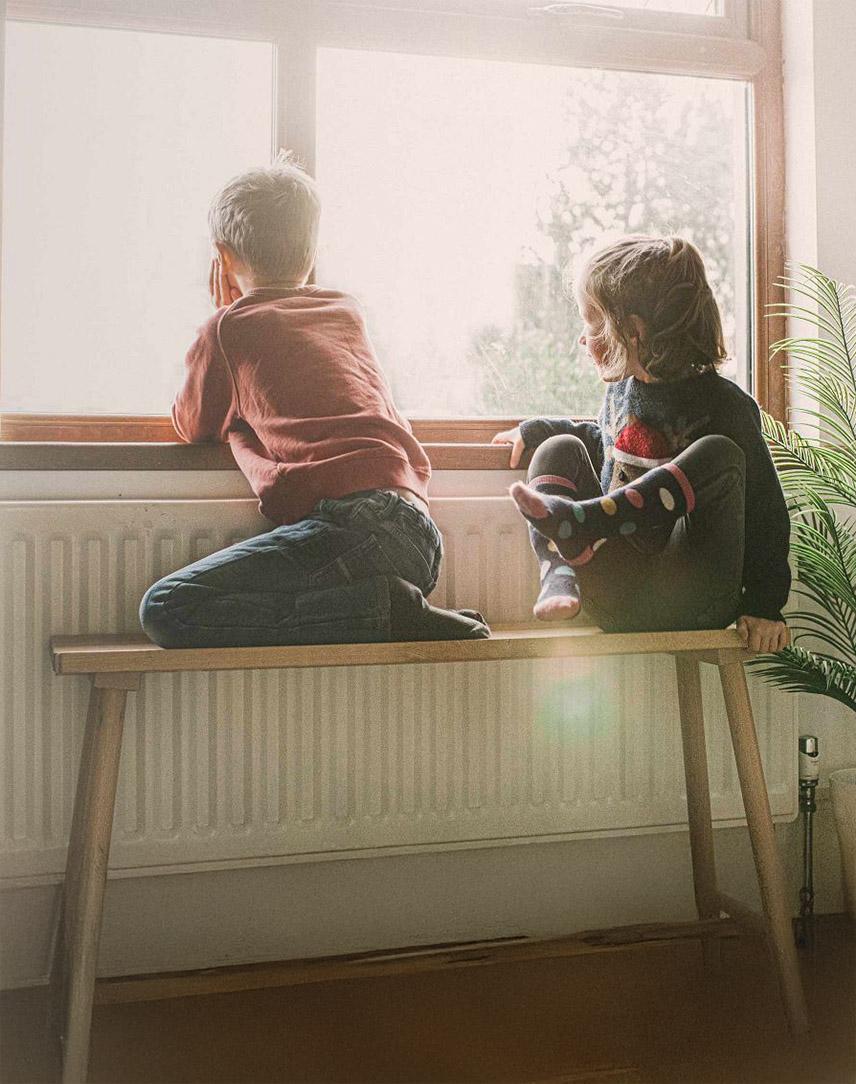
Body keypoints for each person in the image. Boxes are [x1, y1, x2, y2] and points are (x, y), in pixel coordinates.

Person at [140, 155, 488, 648]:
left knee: (166, 607)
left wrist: (224, 319)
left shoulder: (229, 328)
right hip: (417, 531)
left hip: (357, 527)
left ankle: (384, 612)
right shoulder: (345, 310)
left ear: (222, 256)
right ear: (311, 250)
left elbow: (192, 424)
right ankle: (385, 607)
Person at [492, 235, 790, 655]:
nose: (583, 337)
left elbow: (765, 512)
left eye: (591, 321)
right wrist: (539, 429)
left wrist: (765, 605)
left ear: (633, 332)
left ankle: (585, 522)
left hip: (693, 597)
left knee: (720, 455)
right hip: (612, 596)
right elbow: (607, 444)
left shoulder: (726, 406)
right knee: (557, 447)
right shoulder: (620, 396)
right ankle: (560, 570)